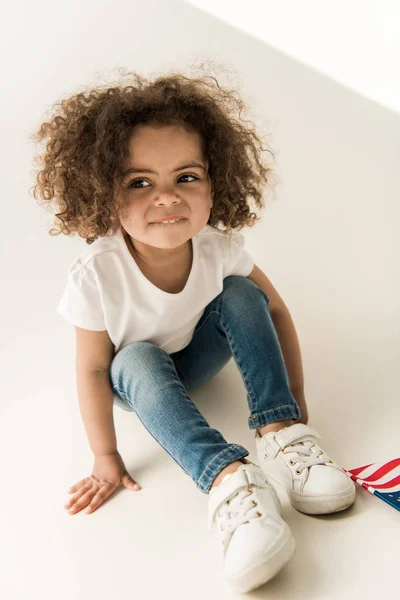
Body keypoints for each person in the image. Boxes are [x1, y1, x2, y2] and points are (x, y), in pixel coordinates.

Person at [31, 67, 356, 593]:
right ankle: (230, 480)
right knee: (134, 356)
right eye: (140, 183)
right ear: (104, 196)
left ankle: (280, 437)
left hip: (198, 358)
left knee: (243, 294)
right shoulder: (97, 273)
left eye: (186, 177)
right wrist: (106, 458)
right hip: (137, 383)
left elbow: (274, 312)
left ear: (214, 182)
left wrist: (293, 404)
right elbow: (93, 368)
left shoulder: (217, 248)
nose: (168, 198)